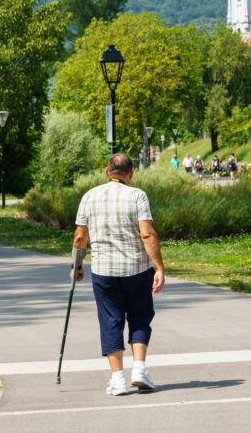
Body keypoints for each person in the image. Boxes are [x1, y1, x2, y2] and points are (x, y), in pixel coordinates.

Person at [72, 154, 166, 396]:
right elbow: (147, 234)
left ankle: (118, 380)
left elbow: (80, 237)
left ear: (107, 172)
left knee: (110, 321)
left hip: (104, 271)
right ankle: (140, 369)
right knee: (140, 317)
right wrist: (159, 268)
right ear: (131, 173)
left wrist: (77, 264)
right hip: (137, 269)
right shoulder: (137, 196)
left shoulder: (89, 196)